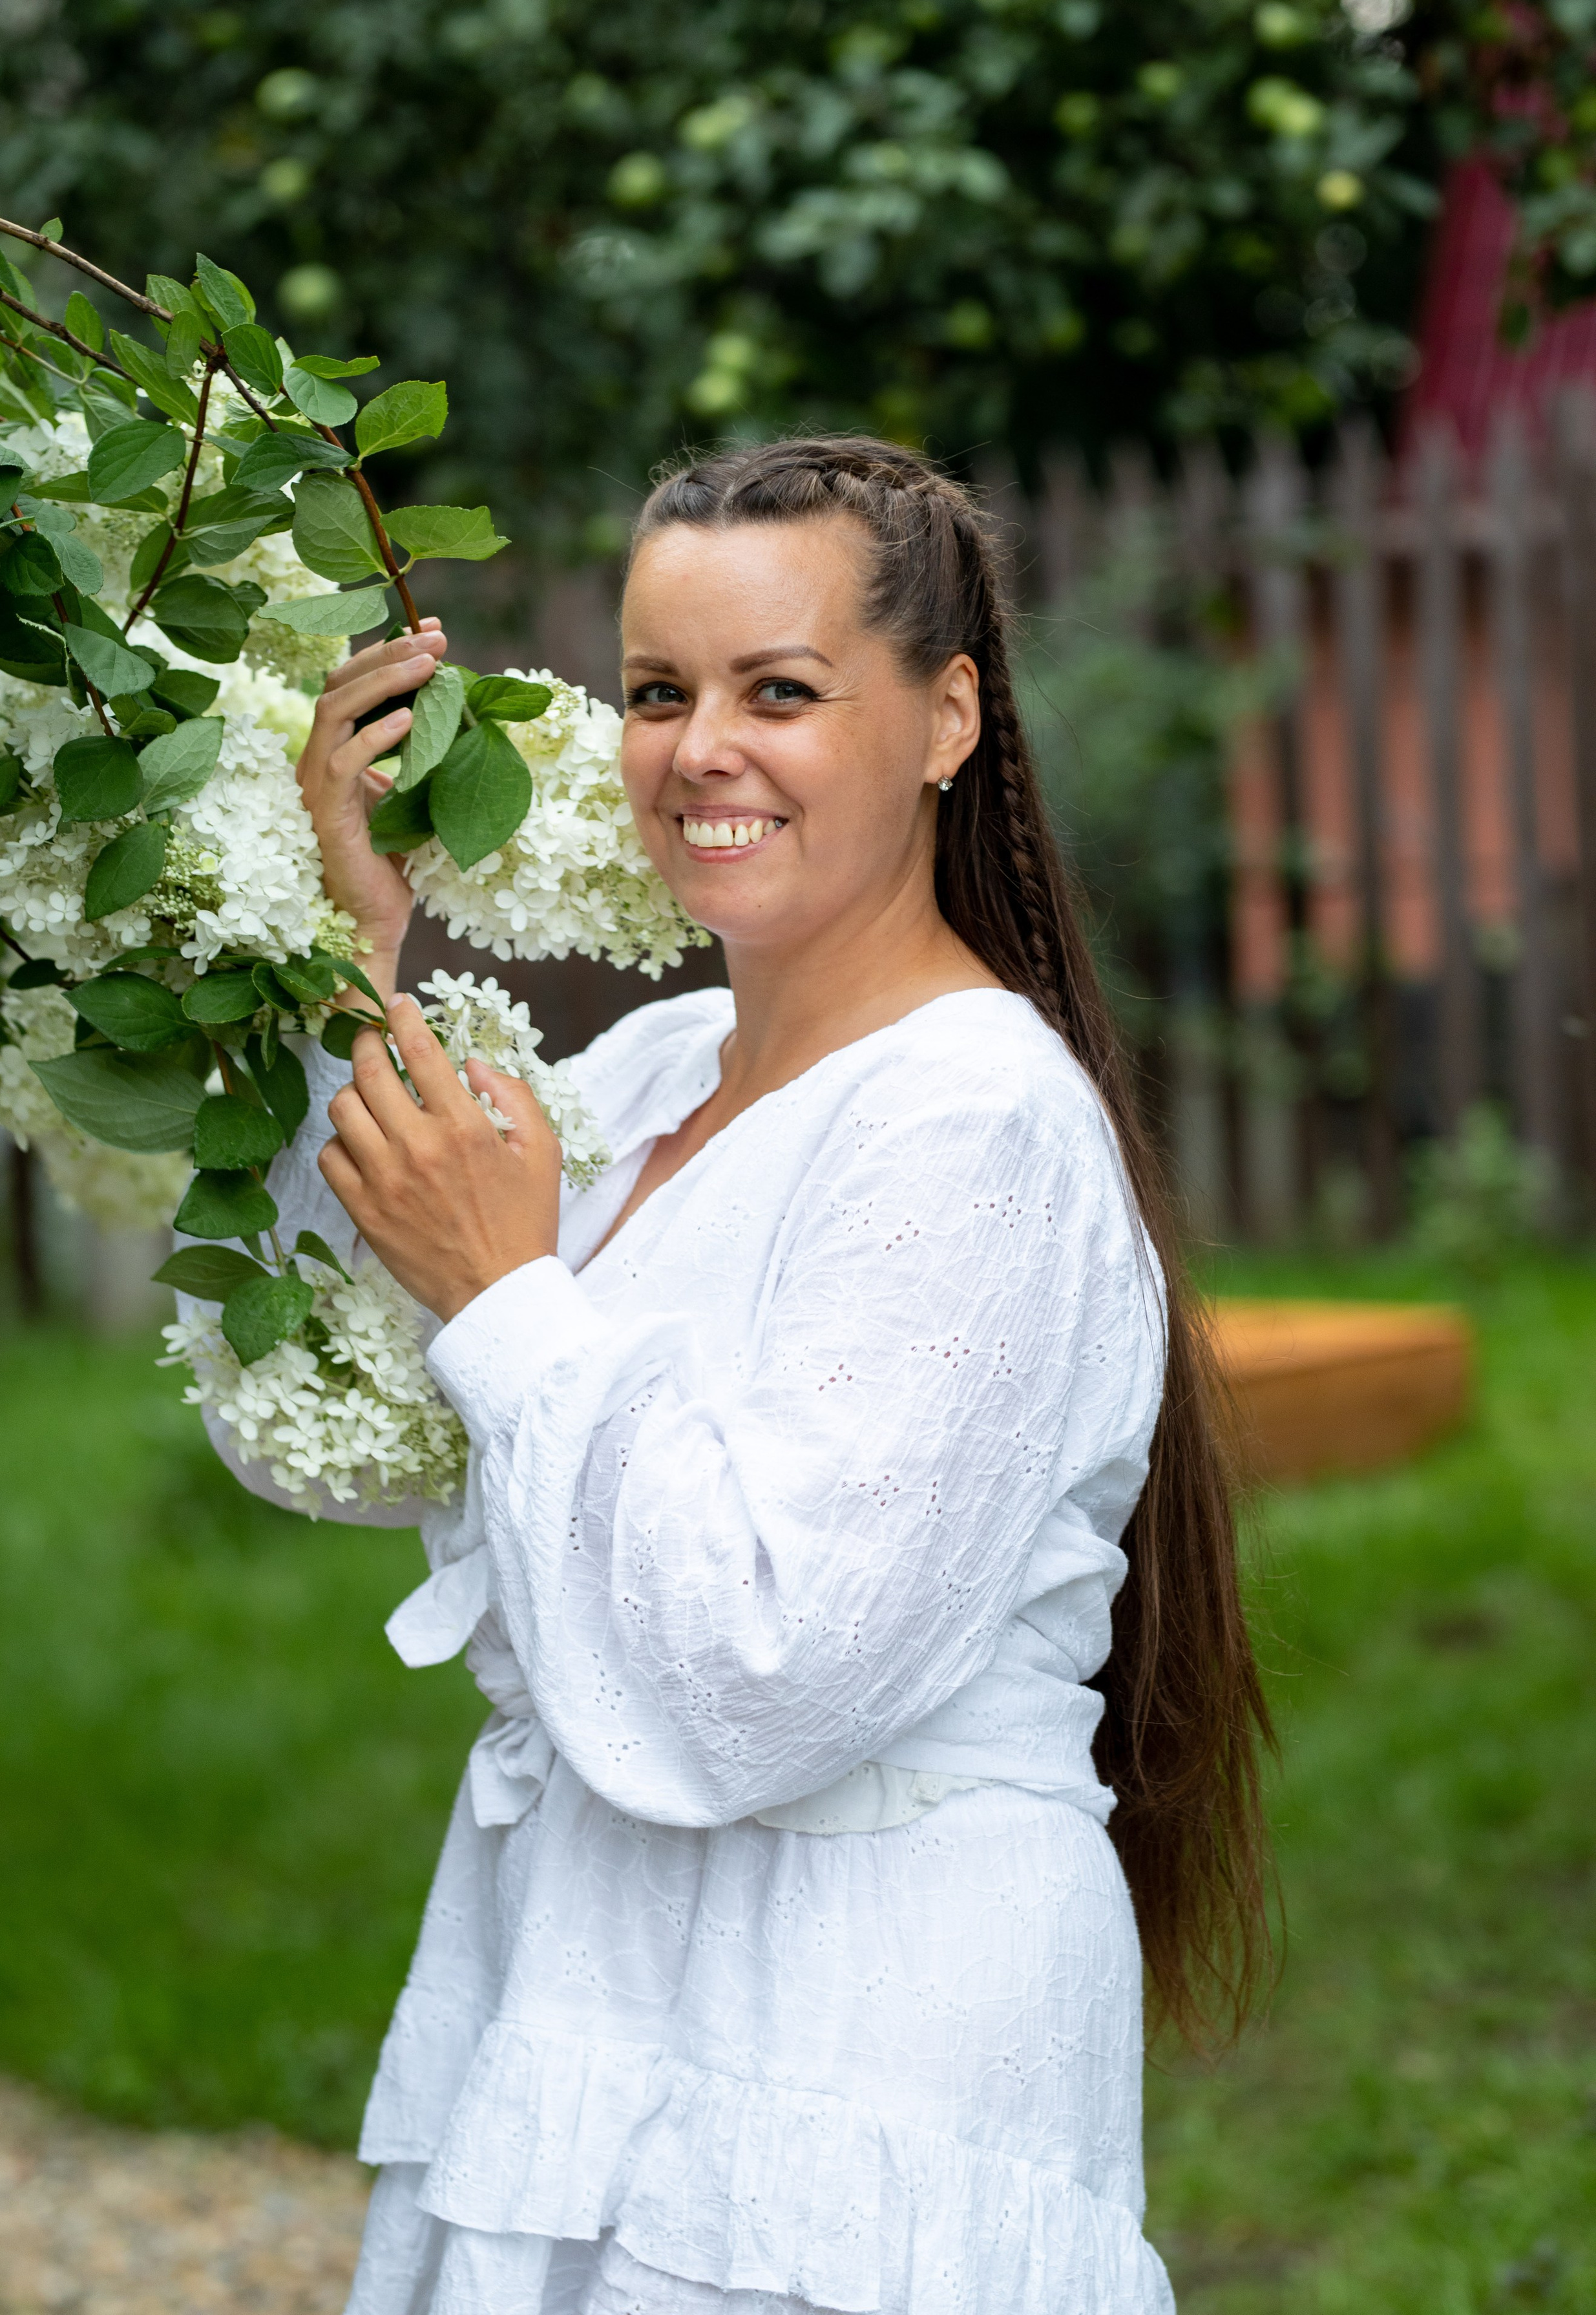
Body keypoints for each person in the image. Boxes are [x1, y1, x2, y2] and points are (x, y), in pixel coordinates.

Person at [209, 436, 1269, 2315]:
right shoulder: (641, 1086)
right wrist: (340, 967)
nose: (701, 750)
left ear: (946, 718)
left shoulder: (976, 1122)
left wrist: (511, 1295)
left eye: (780, 690)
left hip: (849, 2033)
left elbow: (760, 1672)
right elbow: (326, 1441)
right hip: (591, 1979)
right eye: (656, 691)